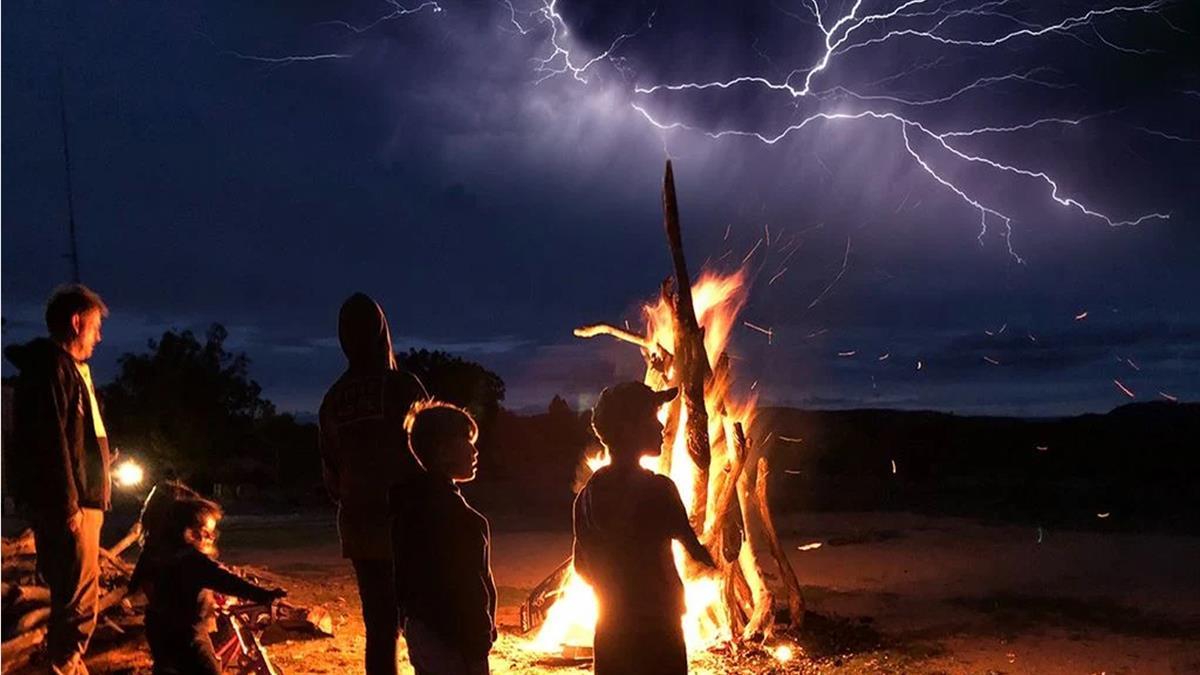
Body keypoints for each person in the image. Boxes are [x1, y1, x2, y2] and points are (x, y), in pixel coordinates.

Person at [3, 284, 113, 674]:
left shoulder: (68, 370)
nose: (99, 337)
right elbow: (50, 442)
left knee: (70, 596)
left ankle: (67, 664)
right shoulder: (53, 370)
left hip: (79, 498)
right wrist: (68, 505)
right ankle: (63, 666)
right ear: (76, 322)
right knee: (79, 601)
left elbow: (74, 436)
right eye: (95, 327)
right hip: (73, 504)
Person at [572, 382, 717, 675]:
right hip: (658, 629)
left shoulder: (585, 498)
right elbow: (698, 554)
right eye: (651, 418)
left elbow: (581, 568)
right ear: (628, 429)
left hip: (611, 628)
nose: (660, 426)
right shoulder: (660, 490)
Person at [318, 293, 424, 675]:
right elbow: (430, 447)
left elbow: (331, 473)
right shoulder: (403, 387)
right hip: (407, 523)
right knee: (425, 620)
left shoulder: (333, 399)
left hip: (359, 528)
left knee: (380, 629)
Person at [392, 401, 496, 675]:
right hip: (456, 640)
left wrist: (408, 620)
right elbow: (468, 587)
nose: (475, 451)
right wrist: (479, 641)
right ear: (443, 451)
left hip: (422, 630)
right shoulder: (459, 518)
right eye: (467, 442)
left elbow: (402, 577)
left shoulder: (407, 509)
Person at [136, 497, 285, 675]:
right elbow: (226, 580)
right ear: (190, 533)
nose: (212, 538)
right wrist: (265, 595)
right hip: (187, 636)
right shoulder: (193, 561)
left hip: (158, 630)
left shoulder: (160, 554)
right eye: (207, 533)